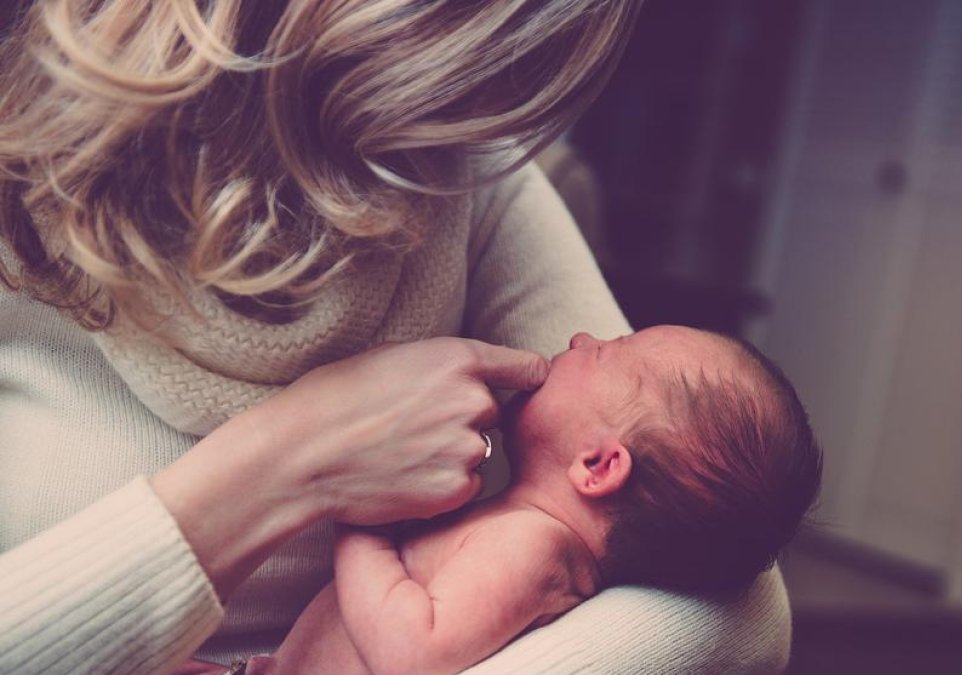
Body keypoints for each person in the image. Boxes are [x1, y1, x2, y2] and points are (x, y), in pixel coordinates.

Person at [0, 2, 794, 674]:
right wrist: (300, 463)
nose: (588, 338)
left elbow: (743, 599)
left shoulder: (466, 167)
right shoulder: (22, 163)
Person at [173, 326, 822, 675]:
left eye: (606, 354)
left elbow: (410, 652)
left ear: (597, 464)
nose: (579, 338)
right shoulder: (524, 528)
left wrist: (360, 519)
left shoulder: (531, 548)